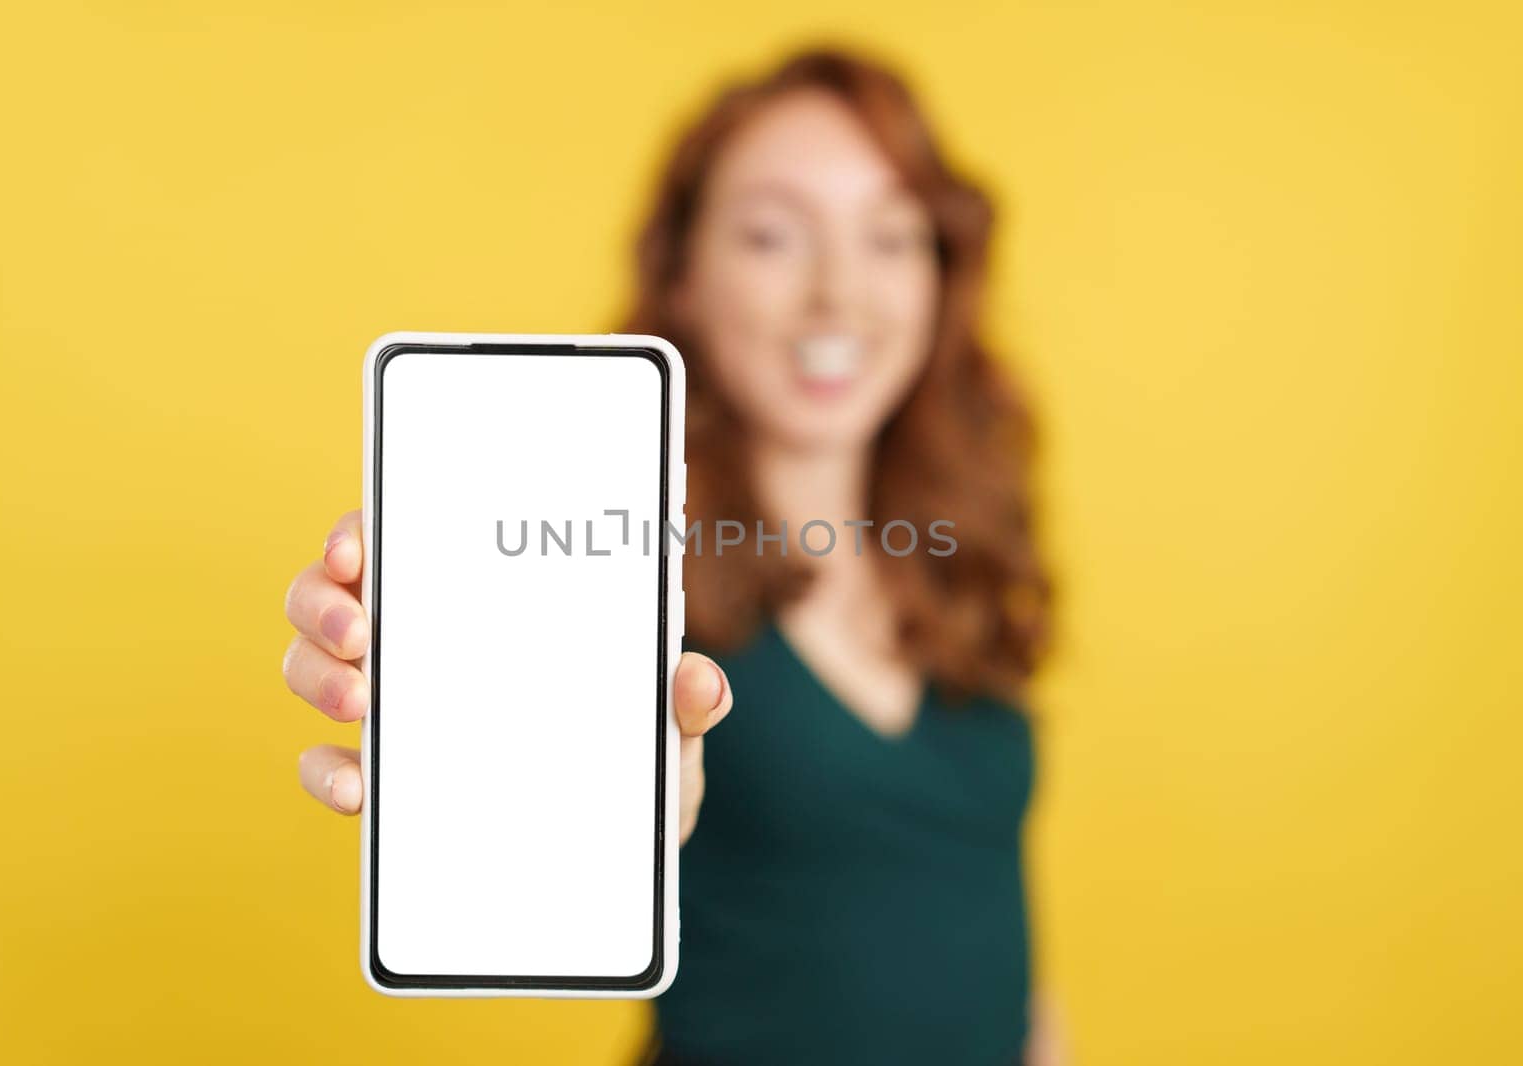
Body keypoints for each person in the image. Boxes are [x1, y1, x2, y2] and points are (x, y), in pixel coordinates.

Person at [283, 46, 1061, 1066]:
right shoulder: (609, 570)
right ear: (684, 276)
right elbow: (591, 774)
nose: (838, 291)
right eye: (774, 235)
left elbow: (989, 926)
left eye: (889, 234)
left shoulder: (958, 552)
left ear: (938, 272)